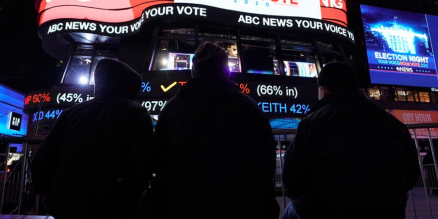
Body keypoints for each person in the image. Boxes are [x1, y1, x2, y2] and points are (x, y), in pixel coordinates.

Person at [150, 41, 279, 219]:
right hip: (239, 205)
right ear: (226, 71)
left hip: (183, 205)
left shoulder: (172, 108)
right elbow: (267, 163)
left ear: (194, 71)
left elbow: (159, 159)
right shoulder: (249, 108)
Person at [281, 61, 420, 219]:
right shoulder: (392, 123)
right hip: (388, 210)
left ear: (323, 90)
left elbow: (292, 177)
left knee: (290, 212)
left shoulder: (312, 124)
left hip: (327, 210)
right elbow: (412, 173)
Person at [31, 59, 154, 219]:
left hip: (65, 205)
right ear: (130, 86)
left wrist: (50, 192)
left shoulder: (72, 112)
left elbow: (43, 161)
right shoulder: (136, 113)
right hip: (111, 208)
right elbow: (141, 167)